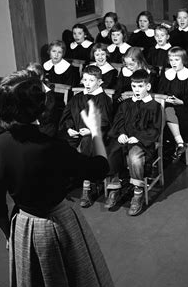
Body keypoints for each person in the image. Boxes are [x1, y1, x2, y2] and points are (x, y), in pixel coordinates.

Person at [0, 70, 119, 287]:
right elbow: (100, 168)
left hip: (23, 226)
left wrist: (10, 236)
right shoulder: (53, 147)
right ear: (37, 109)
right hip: (60, 222)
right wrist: (96, 131)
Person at [105, 69, 162, 215]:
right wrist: (121, 134)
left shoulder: (154, 106)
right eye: (134, 86)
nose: (136, 90)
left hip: (142, 142)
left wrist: (138, 137)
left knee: (135, 158)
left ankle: (137, 193)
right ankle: (115, 187)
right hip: (125, 140)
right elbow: (119, 123)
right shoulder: (126, 104)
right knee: (111, 153)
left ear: (147, 87)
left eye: (140, 86)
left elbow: (154, 129)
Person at [59, 66, 113, 208]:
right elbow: (68, 115)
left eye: (91, 80)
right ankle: (63, 181)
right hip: (77, 133)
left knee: (88, 142)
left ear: (100, 82)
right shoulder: (77, 97)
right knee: (61, 144)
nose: (87, 83)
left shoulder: (104, 100)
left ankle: (86, 187)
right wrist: (70, 128)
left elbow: (106, 122)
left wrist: (90, 130)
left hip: (97, 136)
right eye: (85, 80)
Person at [157, 46, 188, 161]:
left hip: (185, 107)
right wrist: (166, 99)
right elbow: (160, 91)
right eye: (171, 60)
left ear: (183, 60)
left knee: (168, 112)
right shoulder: (166, 74)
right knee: (164, 112)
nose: (173, 63)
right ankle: (178, 144)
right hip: (167, 105)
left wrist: (180, 101)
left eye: (177, 60)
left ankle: (177, 143)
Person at [26, 62, 62, 137]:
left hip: (44, 128)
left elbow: (47, 118)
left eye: (33, 75)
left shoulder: (49, 95)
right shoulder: (25, 91)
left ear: (41, 77)